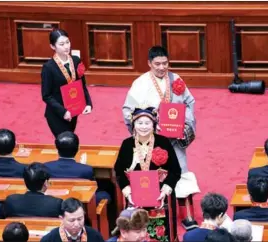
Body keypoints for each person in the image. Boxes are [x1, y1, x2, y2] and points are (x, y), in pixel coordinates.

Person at [122, 45, 200, 229]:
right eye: (157, 64)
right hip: (151, 140)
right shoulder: (140, 84)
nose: (162, 67)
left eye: (165, 63)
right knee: (148, 174)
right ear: (149, 63)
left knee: (182, 172)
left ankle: (187, 215)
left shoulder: (176, 80)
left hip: (174, 140)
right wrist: (145, 126)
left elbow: (190, 103)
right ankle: (147, 211)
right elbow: (127, 111)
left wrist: (184, 126)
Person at [114, 107, 181, 241]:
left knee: (162, 235)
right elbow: (119, 171)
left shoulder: (163, 142)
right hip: (135, 198)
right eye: (140, 123)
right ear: (133, 125)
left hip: (160, 197)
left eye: (147, 123)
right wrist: (128, 192)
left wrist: (165, 190)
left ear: (154, 124)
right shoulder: (127, 144)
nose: (143, 127)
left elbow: (176, 170)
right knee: (136, 231)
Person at [41, 28, 92, 137]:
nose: (66, 46)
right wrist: (63, 112)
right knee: (65, 142)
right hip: (57, 114)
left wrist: (88, 103)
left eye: (68, 42)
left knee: (70, 141)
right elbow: (46, 96)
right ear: (53, 46)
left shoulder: (76, 60)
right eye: (61, 44)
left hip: (74, 110)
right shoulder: (48, 67)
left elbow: (82, 85)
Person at [44, 131, 111, 205]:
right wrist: (82, 166)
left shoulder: (46, 167)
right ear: (78, 148)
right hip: (79, 203)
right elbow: (92, 188)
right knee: (104, 193)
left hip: (54, 201)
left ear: (56, 148)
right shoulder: (86, 169)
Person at [40, 198, 105, 242]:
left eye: (80, 219)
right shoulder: (49, 239)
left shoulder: (95, 236)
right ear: (61, 219)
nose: (76, 224)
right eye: (71, 220)